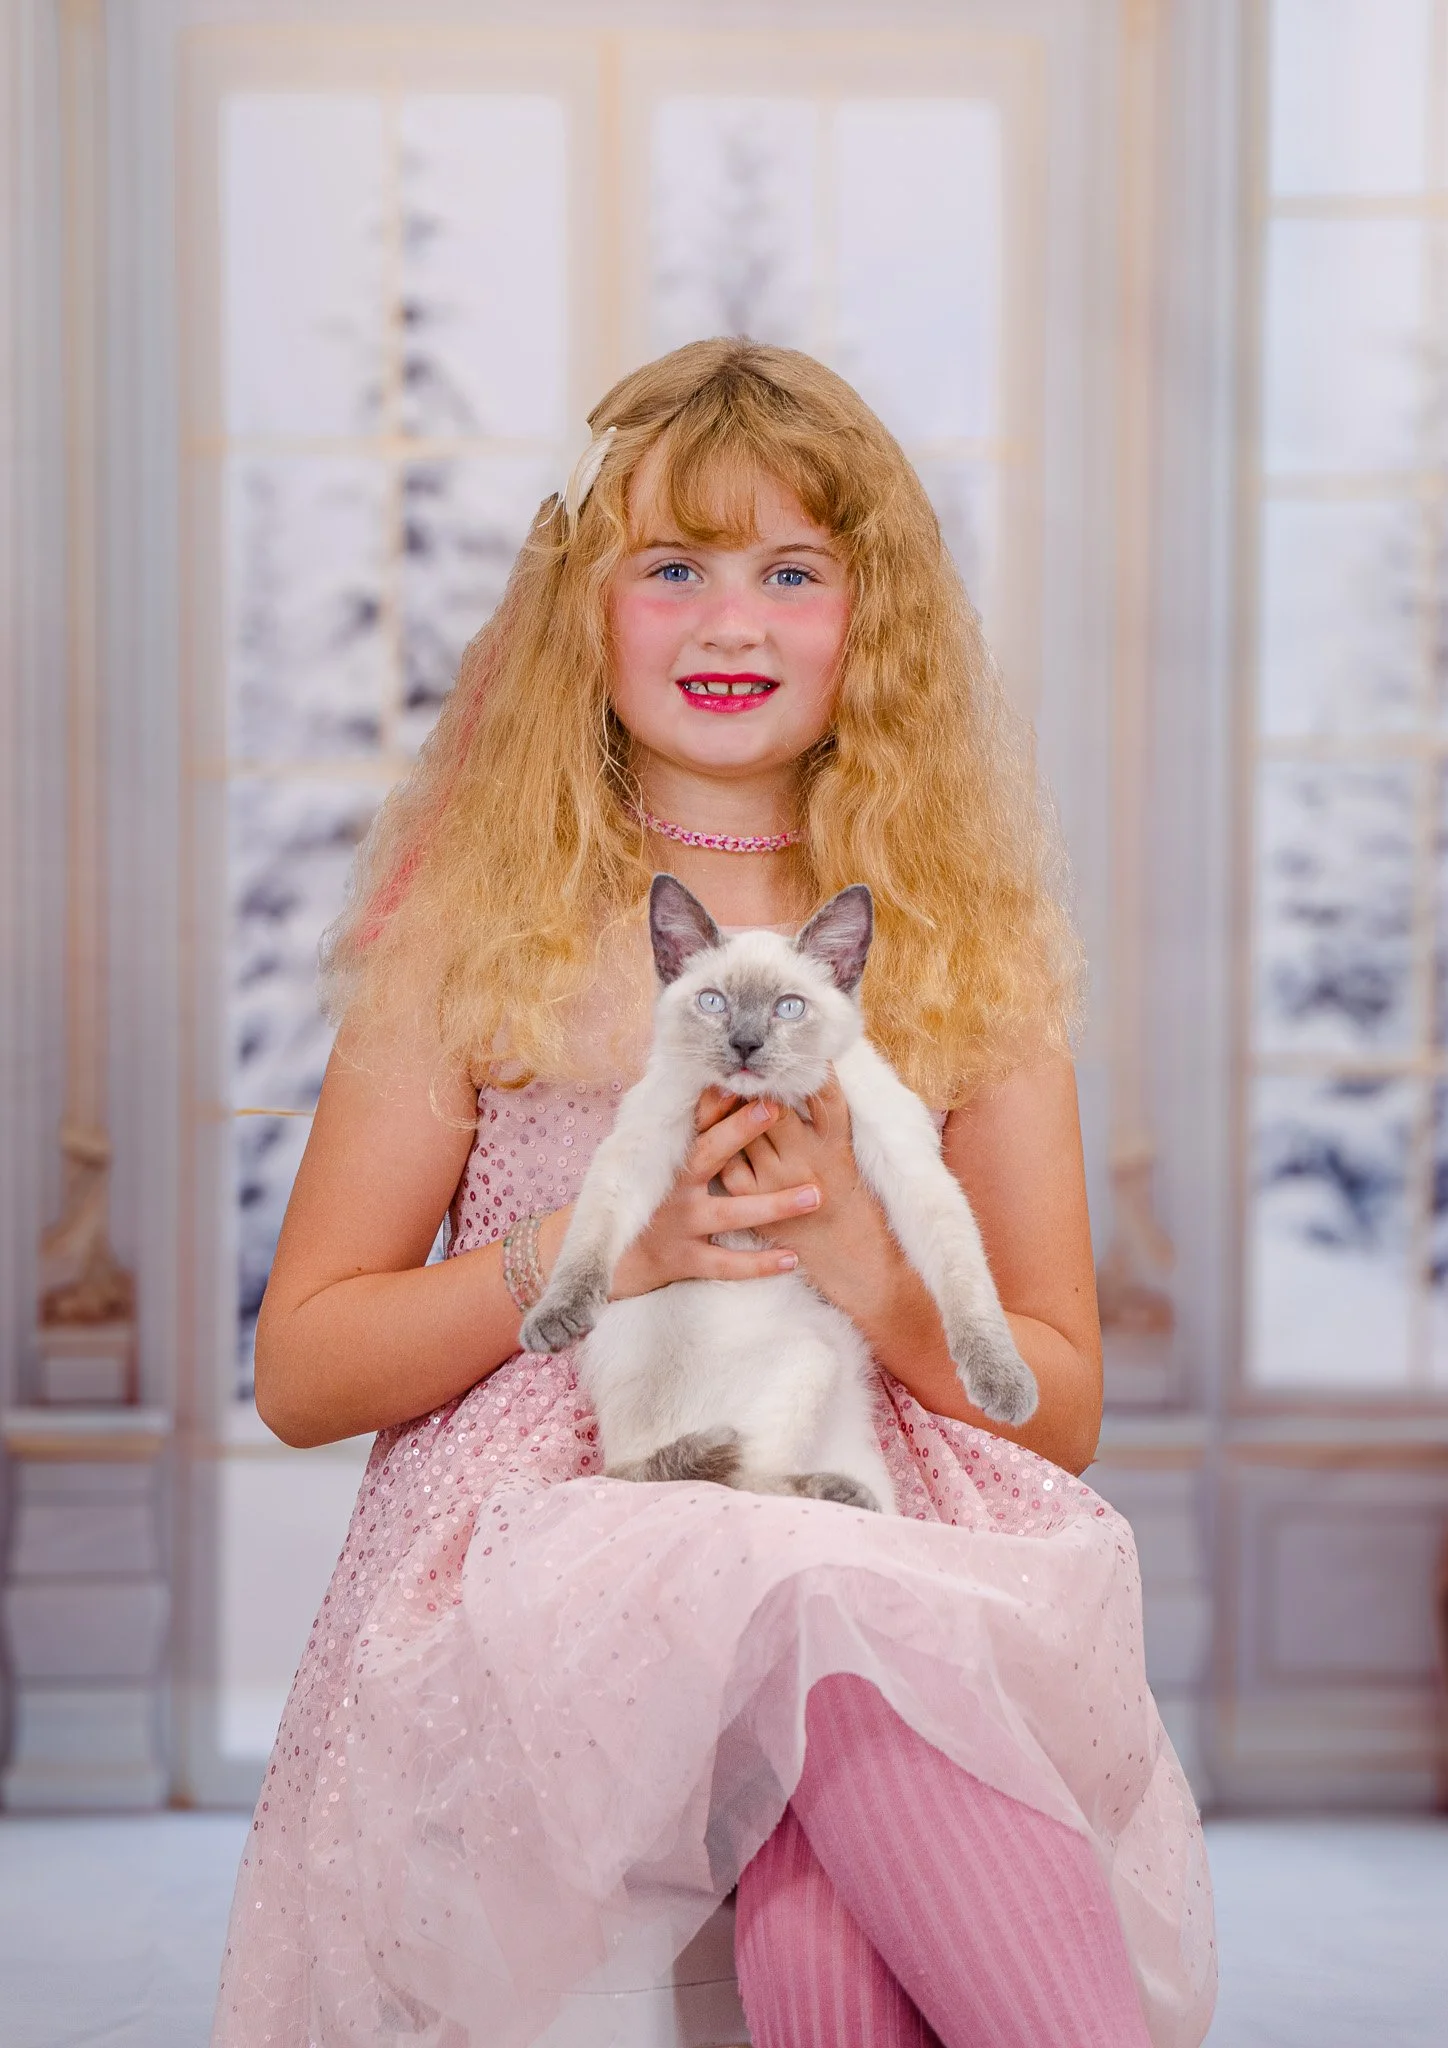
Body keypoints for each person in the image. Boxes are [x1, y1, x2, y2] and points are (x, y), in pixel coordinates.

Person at [211, 339, 1215, 2048]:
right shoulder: (472, 947)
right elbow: (305, 1370)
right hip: (557, 1557)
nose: (729, 622)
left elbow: (1060, 1399)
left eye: (792, 572)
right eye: (672, 566)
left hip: (870, 1534)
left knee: (839, 1658)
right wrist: (614, 1251)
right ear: (582, 610)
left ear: (867, 618)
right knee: (811, 1614)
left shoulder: (969, 956)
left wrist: (866, 1262)